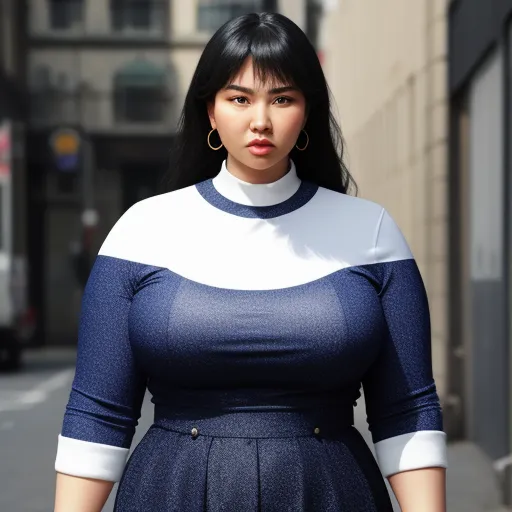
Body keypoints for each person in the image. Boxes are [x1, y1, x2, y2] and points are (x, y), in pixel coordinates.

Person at [54, 12, 447, 512]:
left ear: (307, 111)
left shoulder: (370, 231)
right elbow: (98, 411)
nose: (260, 120)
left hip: (334, 495)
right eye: (239, 99)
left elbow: (406, 409)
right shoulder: (143, 229)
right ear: (211, 112)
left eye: (282, 98)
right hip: (169, 494)